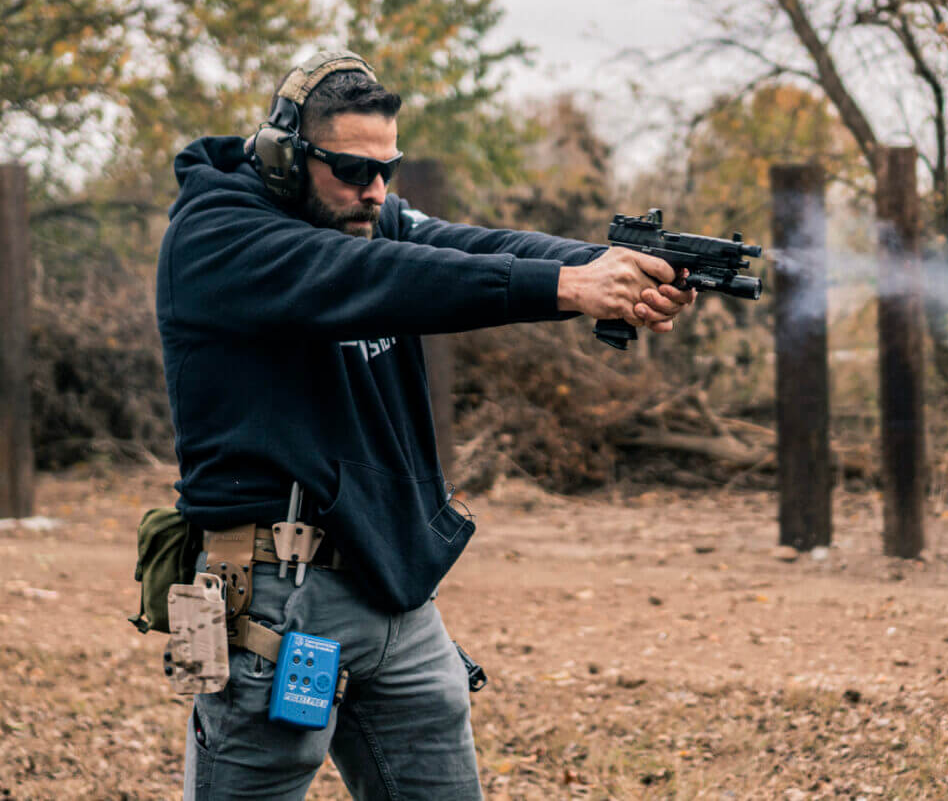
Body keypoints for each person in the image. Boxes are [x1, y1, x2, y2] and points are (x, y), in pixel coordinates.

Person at [156, 48, 697, 800]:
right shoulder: (218, 237)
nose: (375, 189)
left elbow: (473, 248)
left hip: (393, 583)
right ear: (285, 155)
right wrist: (570, 285)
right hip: (275, 597)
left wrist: (607, 266)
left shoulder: (365, 212)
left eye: (388, 168)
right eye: (351, 170)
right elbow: (384, 277)